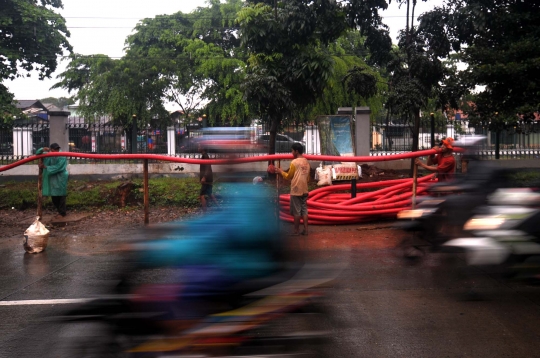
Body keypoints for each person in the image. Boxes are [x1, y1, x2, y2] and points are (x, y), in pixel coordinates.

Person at [275, 142, 310, 236]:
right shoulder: (306, 161)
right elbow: (308, 177)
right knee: (304, 210)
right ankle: (306, 230)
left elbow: (289, 176)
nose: (291, 153)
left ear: (296, 151)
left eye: (292, 151)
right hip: (305, 189)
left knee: (297, 211)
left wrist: (281, 171)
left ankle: (296, 230)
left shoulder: (294, 162)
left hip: (296, 190)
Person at [36, 143, 69, 218]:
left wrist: (46, 167)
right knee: (54, 196)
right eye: (54, 149)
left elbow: (59, 167)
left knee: (61, 195)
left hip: (60, 177)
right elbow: (37, 153)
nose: (56, 151)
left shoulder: (62, 156)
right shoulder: (48, 154)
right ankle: (59, 211)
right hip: (52, 178)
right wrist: (42, 149)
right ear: (51, 150)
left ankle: (62, 213)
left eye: (57, 149)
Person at [199, 145, 218, 212]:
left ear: (202, 148)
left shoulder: (205, 156)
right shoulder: (204, 155)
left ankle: (205, 213)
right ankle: (219, 208)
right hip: (208, 178)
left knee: (201, 195)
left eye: (199, 147)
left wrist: (204, 177)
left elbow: (207, 167)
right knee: (210, 194)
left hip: (206, 179)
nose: (198, 148)